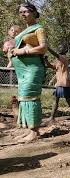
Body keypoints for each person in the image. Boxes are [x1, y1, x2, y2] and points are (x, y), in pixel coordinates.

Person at [11, 2, 48, 142]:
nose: (23, 14)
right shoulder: (25, 30)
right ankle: (30, 129)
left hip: (33, 69)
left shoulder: (39, 29)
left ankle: (34, 132)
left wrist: (23, 50)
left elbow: (43, 48)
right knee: (23, 98)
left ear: (33, 12)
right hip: (23, 72)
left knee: (30, 97)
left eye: (25, 11)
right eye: (21, 12)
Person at [44, 44, 70, 122]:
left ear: (65, 50)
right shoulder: (58, 60)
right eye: (59, 47)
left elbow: (55, 54)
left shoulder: (63, 58)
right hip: (60, 83)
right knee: (60, 100)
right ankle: (53, 117)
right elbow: (52, 66)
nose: (59, 48)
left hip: (64, 83)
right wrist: (46, 60)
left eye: (61, 47)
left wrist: (47, 47)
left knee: (66, 100)